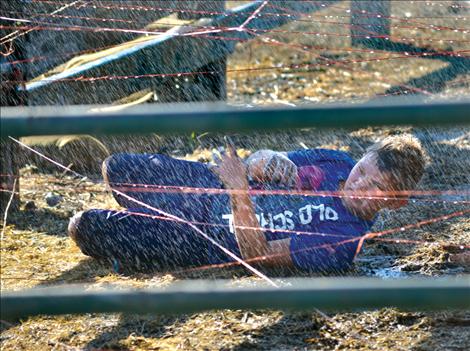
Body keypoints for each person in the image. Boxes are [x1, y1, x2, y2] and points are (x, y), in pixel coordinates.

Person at [68, 134, 426, 273]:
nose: (358, 184)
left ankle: (143, 236)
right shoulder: (336, 162)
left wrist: (240, 192)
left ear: (396, 203)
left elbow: (255, 255)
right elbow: (263, 159)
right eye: (362, 169)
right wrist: (266, 159)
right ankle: (142, 224)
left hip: (204, 239)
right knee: (116, 167)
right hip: (210, 185)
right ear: (361, 157)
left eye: (376, 186)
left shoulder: (341, 242)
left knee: (84, 226)